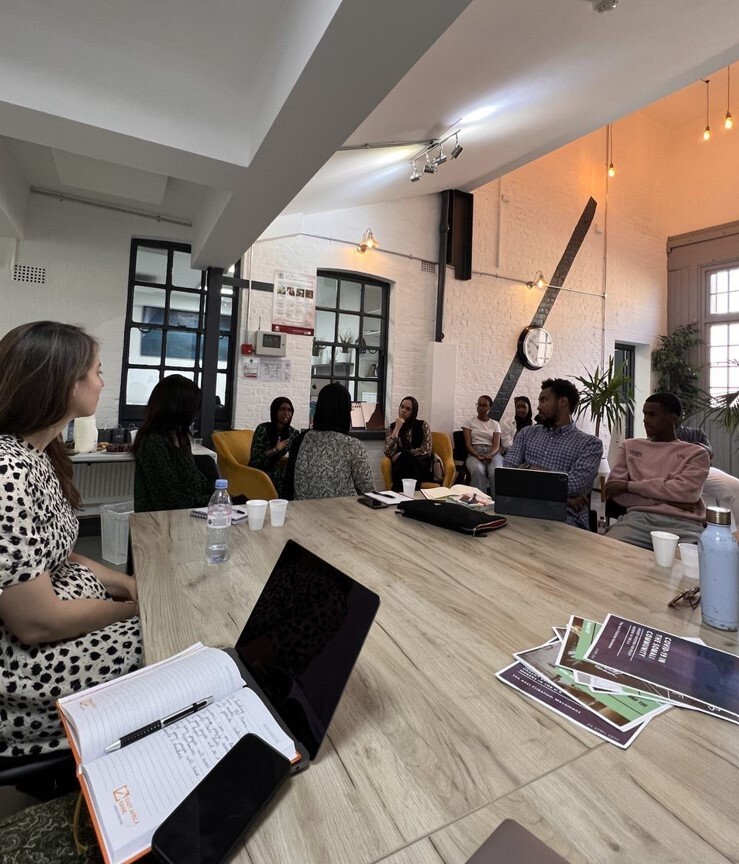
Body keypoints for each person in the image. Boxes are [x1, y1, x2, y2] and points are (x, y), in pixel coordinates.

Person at [0, 321, 140, 760]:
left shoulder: (37, 455)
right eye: (96, 371)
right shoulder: (8, 470)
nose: (102, 382)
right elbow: (34, 622)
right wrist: (134, 610)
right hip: (25, 670)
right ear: (66, 385)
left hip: (51, 630)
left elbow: (55, 557)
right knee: (174, 646)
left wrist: (126, 585)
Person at [605, 393, 710, 548]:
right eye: (644, 414)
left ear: (673, 418)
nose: (645, 420)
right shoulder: (629, 446)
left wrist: (630, 486)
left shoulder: (696, 453)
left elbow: (686, 493)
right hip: (637, 520)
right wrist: (668, 500)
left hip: (684, 524)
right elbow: (616, 491)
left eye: (652, 414)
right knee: (604, 551)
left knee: (697, 563)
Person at [504, 378, 603, 529]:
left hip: (563, 518)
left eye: (543, 400)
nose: (538, 407)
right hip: (522, 508)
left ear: (562, 402)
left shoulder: (590, 444)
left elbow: (573, 486)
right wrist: (566, 497)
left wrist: (529, 470)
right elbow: (508, 471)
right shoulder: (527, 433)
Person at [132, 375, 214, 512]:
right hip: (158, 523)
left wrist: (222, 496)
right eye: (194, 407)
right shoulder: (153, 442)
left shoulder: (181, 437)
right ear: (178, 408)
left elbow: (196, 481)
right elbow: (170, 501)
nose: (195, 414)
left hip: (183, 516)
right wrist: (213, 501)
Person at [285, 383, 374, 500]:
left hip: (303, 513)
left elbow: (289, 485)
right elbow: (369, 491)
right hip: (344, 514)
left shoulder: (300, 439)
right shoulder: (352, 445)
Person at [675, 422, 739, 530]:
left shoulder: (696, 433)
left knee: (736, 486)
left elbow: (709, 453)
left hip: (702, 471)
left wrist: (691, 448)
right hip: (673, 472)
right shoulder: (659, 432)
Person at [249, 397, 300, 497]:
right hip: (260, 471)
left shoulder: (293, 433)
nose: (286, 413)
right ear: (274, 411)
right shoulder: (263, 429)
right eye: (282, 409)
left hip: (278, 471)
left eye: (289, 410)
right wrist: (275, 450)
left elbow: (296, 457)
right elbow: (255, 460)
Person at [384, 396, 433, 491]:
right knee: (405, 459)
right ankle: (410, 493)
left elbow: (427, 451)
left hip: (420, 467)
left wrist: (402, 454)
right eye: (402, 407)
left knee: (406, 456)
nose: (403, 411)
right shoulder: (392, 427)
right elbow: (387, 452)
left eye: (408, 409)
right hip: (401, 468)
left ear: (413, 412)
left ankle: (398, 494)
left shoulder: (423, 425)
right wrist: (397, 429)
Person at [462, 395, 503, 495]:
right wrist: (477, 455)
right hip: (474, 453)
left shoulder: (495, 424)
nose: (481, 408)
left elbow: (496, 445)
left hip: (492, 453)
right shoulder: (469, 422)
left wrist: (489, 455)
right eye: (479, 405)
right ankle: (479, 502)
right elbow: (468, 444)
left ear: (490, 407)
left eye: (484, 405)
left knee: (495, 471)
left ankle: (497, 503)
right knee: (478, 470)